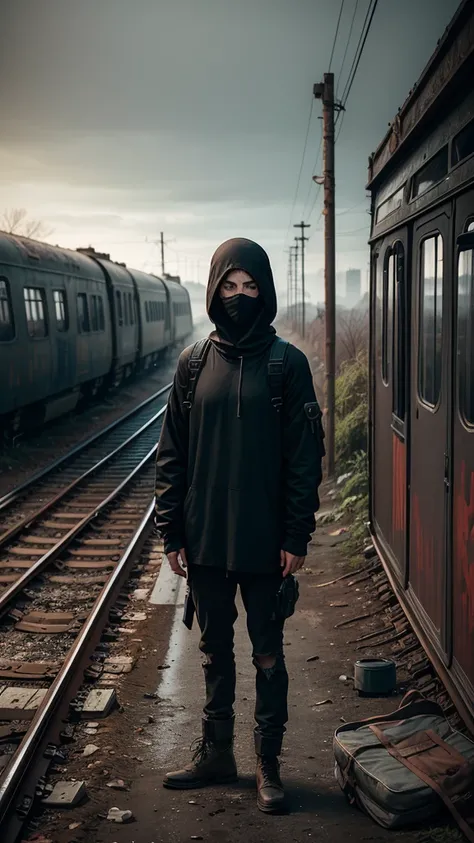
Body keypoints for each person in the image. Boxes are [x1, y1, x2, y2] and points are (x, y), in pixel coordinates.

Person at [155, 237, 324, 814]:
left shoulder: (288, 364)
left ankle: (268, 763)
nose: (240, 296)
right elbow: (172, 452)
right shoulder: (194, 364)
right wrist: (171, 531)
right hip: (204, 538)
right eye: (230, 286)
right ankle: (217, 753)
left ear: (266, 289)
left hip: (266, 542)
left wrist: (296, 535)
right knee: (213, 648)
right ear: (214, 289)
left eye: (250, 286)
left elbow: (305, 460)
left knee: (269, 653)